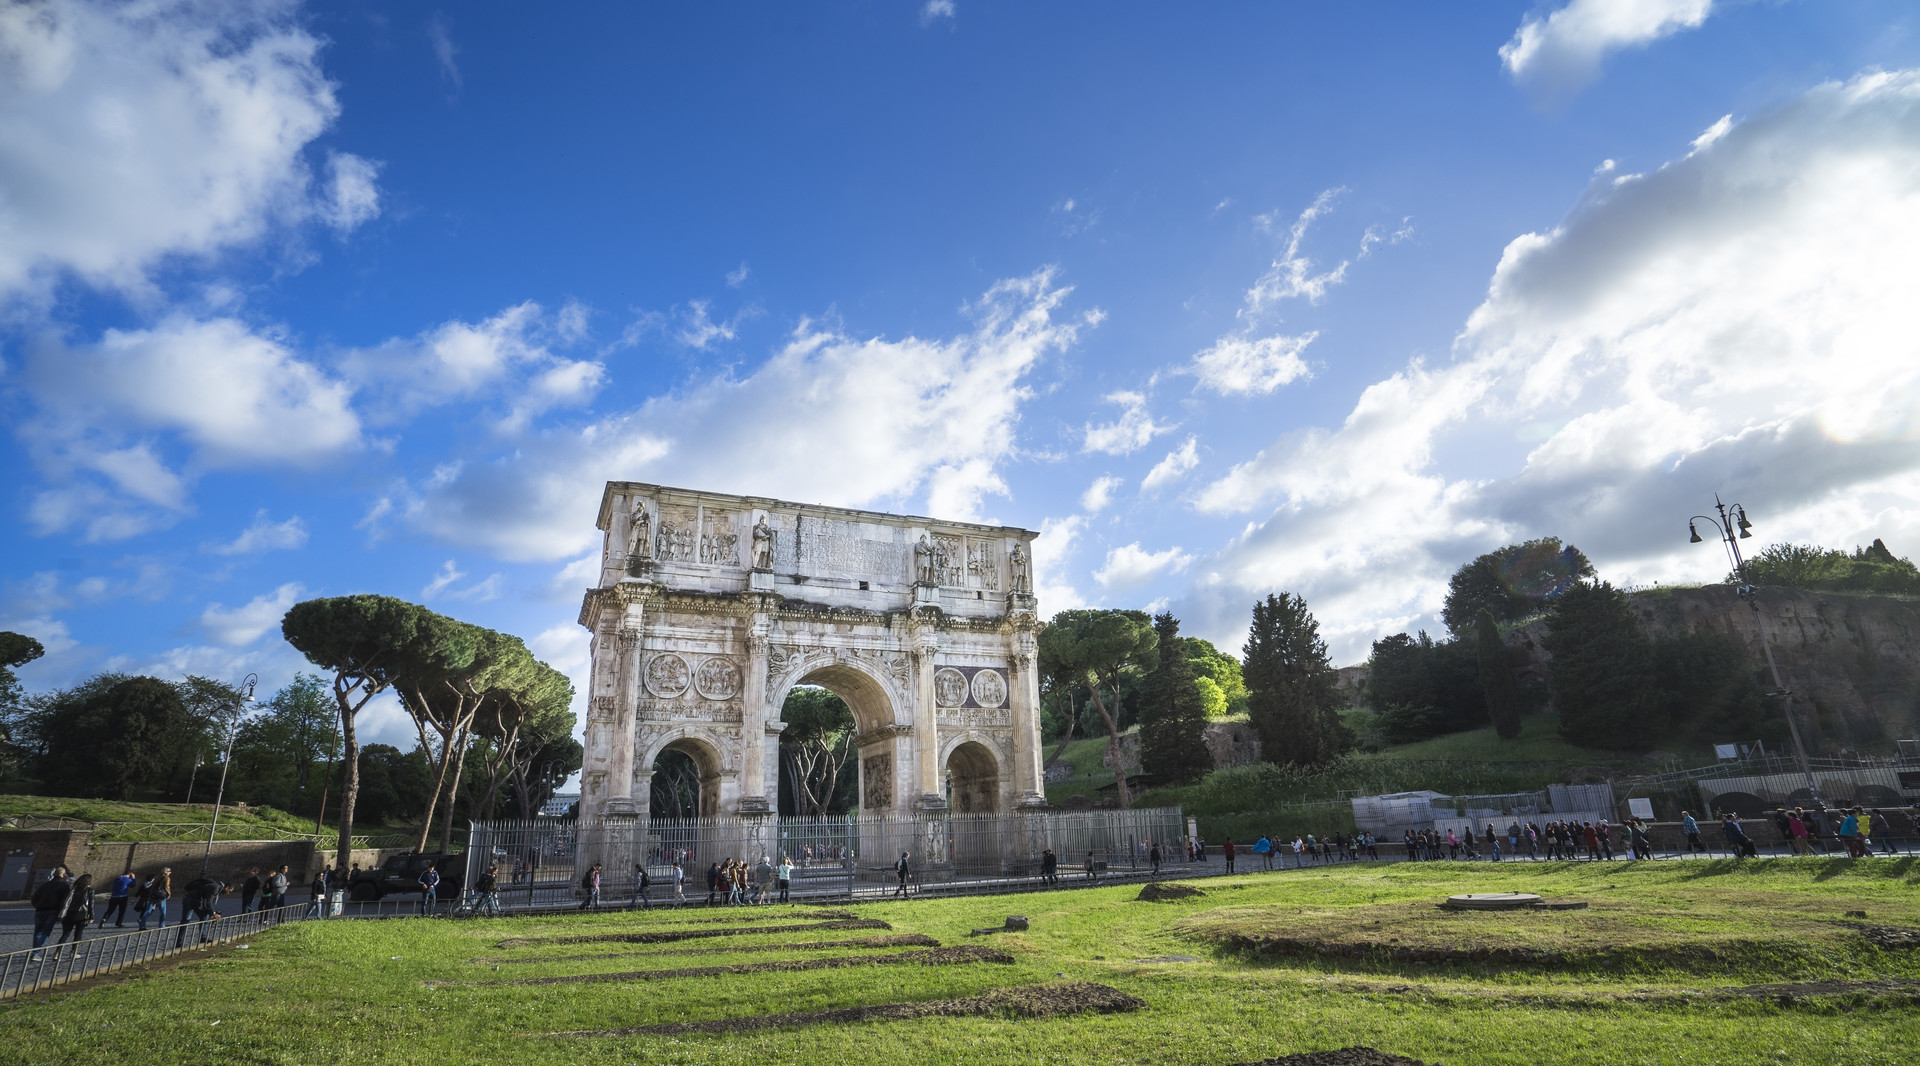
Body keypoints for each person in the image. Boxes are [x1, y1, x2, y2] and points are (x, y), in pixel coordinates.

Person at [29, 867, 75, 960]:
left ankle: (35, 951)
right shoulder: (64, 885)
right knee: (45, 932)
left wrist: (37, 905)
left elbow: (34, 898)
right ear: (63, 875)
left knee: (38, 931)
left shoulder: (45, 884)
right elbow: (65, 901)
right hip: (52, 910)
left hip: (40, 910)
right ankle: (36, 953)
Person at [175, 877, 225, 947]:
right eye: (229, 890)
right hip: (191, 900)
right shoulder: (215, 887)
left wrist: (211, 913)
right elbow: (208, 902)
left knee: (202, 917)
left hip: (193, 900)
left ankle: (202, 938)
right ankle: (180, 942)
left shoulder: (212, 886)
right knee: (186, 920)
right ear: (226, 888)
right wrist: (213, 914)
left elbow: (206, 903)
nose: (228, 893)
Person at [55, 873, 96, 949]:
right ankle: (73, 951)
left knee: (65, 934)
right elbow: (91, 905)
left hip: (68, 914)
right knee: (78, 934)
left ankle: (57, 952)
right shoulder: (90, 891)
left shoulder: (71, 889)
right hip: (81, 914)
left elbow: (64, 901)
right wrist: (91, 916)